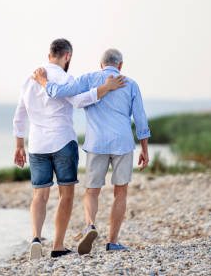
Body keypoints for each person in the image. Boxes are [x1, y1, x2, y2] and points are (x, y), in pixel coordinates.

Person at [12, 39, 126, 260]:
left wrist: (19, 145)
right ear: (67, 57)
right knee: (66, 195)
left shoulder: (30, 78)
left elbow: (19, 116)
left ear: (49, 55)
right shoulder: (65, 78)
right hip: (63, 141)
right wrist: (105, 88)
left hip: (36, 144)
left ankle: (35, 238)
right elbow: (81, 101)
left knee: (40, 195)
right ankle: (57, 245)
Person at [31, 48, 150, 255]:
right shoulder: (130, 84)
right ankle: (112, 242)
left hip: (97, 143)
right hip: (123, 143)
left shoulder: (88, 79)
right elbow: (140, 118)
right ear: (120, 65)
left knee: (92, 191)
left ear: (101, 64)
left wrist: (43, 82)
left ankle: (90, 225)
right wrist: (145, 149)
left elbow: (59, 92)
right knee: (120, 192)